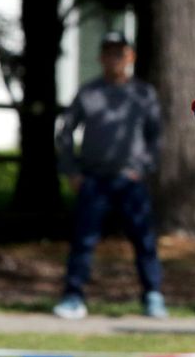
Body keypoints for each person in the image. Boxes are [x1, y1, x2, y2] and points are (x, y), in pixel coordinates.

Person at [52, 31, 166, 319]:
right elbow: (65, 132)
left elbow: (156, 137)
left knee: (144, 240)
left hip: (130, 181)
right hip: (93, 180)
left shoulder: (143, 93)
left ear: (130, 57)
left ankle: (152, 295)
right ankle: (73, 296)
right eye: (109, 52)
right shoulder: (89, 92)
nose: (114, 58)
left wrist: (141, 168)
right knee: (84, 240)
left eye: (120, 52)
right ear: (101, 57)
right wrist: (72, 172)